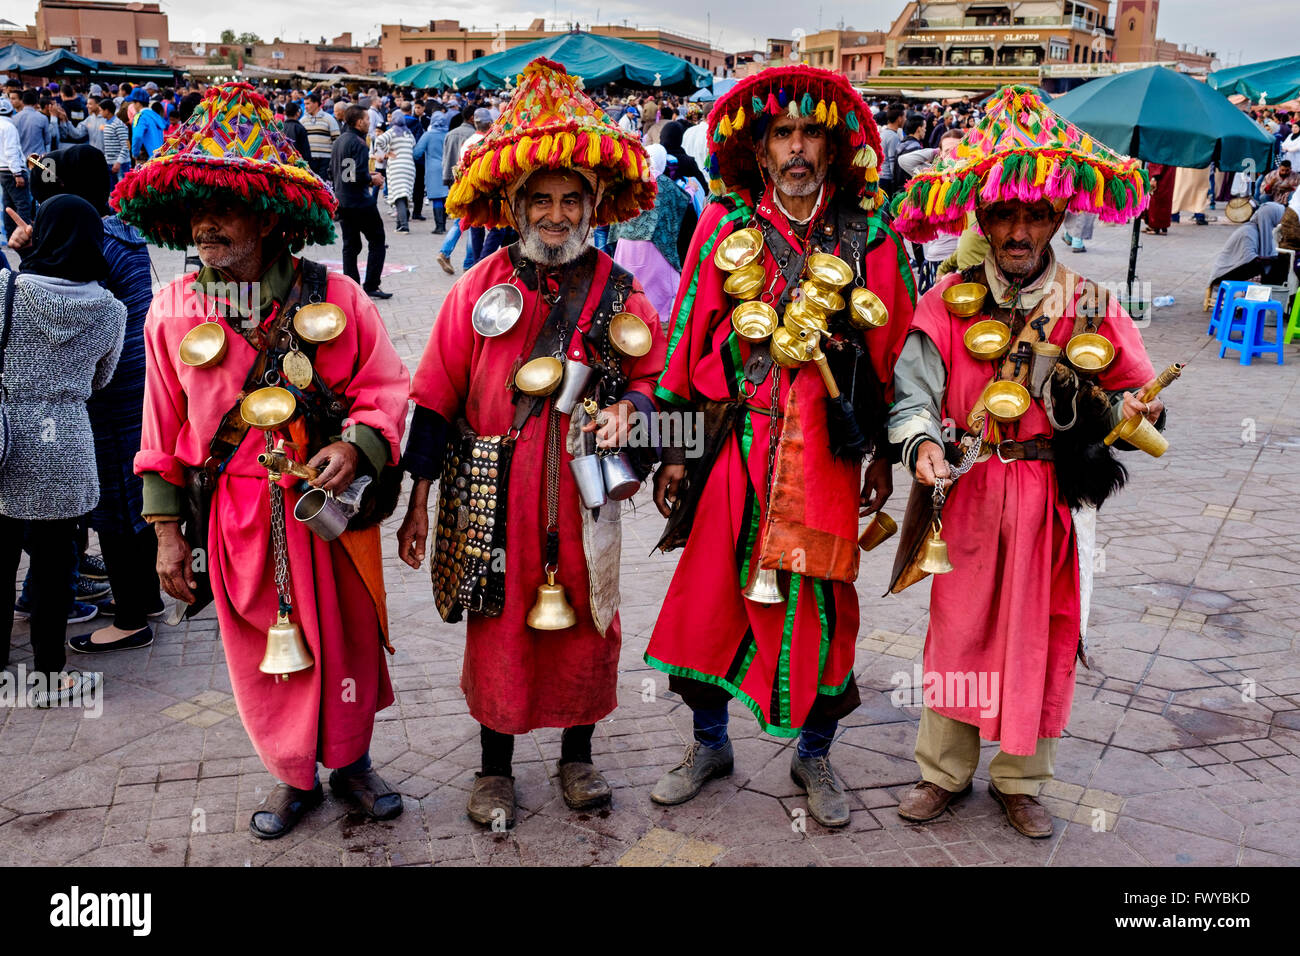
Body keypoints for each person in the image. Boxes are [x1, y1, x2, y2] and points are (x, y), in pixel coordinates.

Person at [115, 82, 410, 839]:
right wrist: (168, 535)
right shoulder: (172, 308)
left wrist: (355, 443)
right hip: (238, 515)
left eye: (227, 205)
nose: (205, 223)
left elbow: (384, 390)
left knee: (343, 642)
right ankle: (290, 772)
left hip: (327, 507)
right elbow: (159, 428)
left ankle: (350, 765)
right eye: (196, 206)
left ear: (271, 215)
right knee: (265, 649)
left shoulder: (335, 295)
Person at [889, 86, 1166, 839]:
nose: (1018, 230)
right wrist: (919, 449)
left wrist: (1139, 413)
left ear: (1057, 218)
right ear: (982, 216)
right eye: (1005, 215)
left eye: (1035, 215)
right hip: (970, 489)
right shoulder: (945, 299)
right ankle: (942, 772)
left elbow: (1137, 393)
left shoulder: (1089, 302)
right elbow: (913, 395)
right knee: (960, 625)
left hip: (1048, 494)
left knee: (1039, 630)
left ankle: (1021, 777)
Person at [399, 58, 666, 829]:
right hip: (495, 492)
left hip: (589, 493)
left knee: (590, 621)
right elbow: (435, 393)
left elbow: (657, 380)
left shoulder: (621, 289)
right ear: (515, 206)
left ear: (592, 206)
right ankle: (494, 768)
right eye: (540, 200)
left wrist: (636, 412)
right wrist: (418, 497)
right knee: (499, 625)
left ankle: (578, 756)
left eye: (570, 200)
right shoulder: (476, 286)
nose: (555, 214)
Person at [647, 64, 916, 828]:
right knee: (709, 599)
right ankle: (709, 744)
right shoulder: (724, 231)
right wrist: (672, 450)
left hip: (827, 458)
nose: (797, 149)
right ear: (760, 153)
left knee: (825, 607)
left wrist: (885, 464)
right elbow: (681, 347)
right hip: (735, 447)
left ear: (833, 151)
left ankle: (815, 754)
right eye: (782, 135)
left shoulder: (873, 239)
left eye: (811, 135)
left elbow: (895, 355)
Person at [14, 145, 165, 651]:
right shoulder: (124, 232)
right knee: (130, 494)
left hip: (103, 390)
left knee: (117, 507)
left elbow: (56, 311)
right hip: (134, 379)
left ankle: (129, 617)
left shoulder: (91, 241)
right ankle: (141, 598)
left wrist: (27, 259)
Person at [0, 195, 126, 706]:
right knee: (55, 568)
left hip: (5, 437)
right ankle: (51, 677)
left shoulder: (8, 291)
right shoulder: (110, 309)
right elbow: (101, 380)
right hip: (66, 442)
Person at [606, 144, 697, 325]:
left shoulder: (630, 180)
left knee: (627, 293)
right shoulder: (662, 183)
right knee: (656, 298)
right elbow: (681, 201)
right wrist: (692, 189)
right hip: (654, 250)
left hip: (625, 248)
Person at [332, 104, 391, 299]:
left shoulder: (340, 140)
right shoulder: (359, 142)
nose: (369, 122)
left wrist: (367, 174)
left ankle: (351, 288)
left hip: (342, 200)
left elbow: (340, 172)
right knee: (377, 240)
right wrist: (372, 179)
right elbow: (355, 174)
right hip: (360, 202)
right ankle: (372, 284)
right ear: (359, 122)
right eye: (366, 119)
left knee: (350, 246)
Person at [1202, 202, 1289, 309]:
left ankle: (1268, 299)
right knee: (1277, 264)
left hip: (1239, 270)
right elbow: (1249, 259)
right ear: (1270, 217)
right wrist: (1273, 260)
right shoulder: (1248, 232)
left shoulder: (1261, 231)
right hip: (1224, 274)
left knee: (1279, 262)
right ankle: (1266, 301)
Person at [435, 106, 490, 275]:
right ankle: (465, 260)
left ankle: (463, 259)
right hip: (474, 186)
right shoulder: (479, 139)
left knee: (466, 222)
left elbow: (448, 158)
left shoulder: (454, 134)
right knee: (470, 223)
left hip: (457, 182)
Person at [373, 109, 415, 233]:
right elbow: (414, 144)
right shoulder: (409, 133)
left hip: (397, 167)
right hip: (409, 167)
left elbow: (379, 140)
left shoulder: (391, 132)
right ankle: (400, 224)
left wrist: (387, 151)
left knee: (398, 196)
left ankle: (404, 225)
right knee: (404, 195)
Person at [413, 109, 450, 234]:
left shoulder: (428, 135)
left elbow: (417, 153)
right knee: (445, 195)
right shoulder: (449, 134)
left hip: (433, 170)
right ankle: (444, 224)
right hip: (448, 167)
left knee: (437, 198)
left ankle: (439, 226)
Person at [0, 98, 31, 226]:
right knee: (22, 205)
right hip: (12, 170)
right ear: (10, 111)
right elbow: (11, 150)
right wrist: (17, 173)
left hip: (2, 170)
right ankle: (23, 238)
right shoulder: (9, 126)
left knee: (8, 206)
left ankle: (11, 236)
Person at [301, 92, 338, 181]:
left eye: (308, 104)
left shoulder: (329, 119)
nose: (305, 106)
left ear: (316, 103)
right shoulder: (302, 121)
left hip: (325, 160)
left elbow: (336, 140)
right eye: (305, 104)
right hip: (309, 160)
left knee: (323, 186)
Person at [1142, 162, 1174, 236]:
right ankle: (1161, 227)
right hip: (1167, 174)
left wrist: (1154, 178)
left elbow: (1159, 163)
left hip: (1160, 176)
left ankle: (1155, 227)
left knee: (1157, 201)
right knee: (1164, 200)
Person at [131, 99, 167, 164]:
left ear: (138, 103)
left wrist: (135, 153)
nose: (133, 106)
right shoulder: (156, 116)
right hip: (160, 156)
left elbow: (137, 136)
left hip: (147, 159)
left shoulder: (140, 116)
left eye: (134, 103)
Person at [279, 101, 312, 167]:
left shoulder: (280, 127)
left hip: (283, 164)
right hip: (298, 164)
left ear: (285, 113)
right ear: (298, 113)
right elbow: (305, 150)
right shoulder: (299, 127)